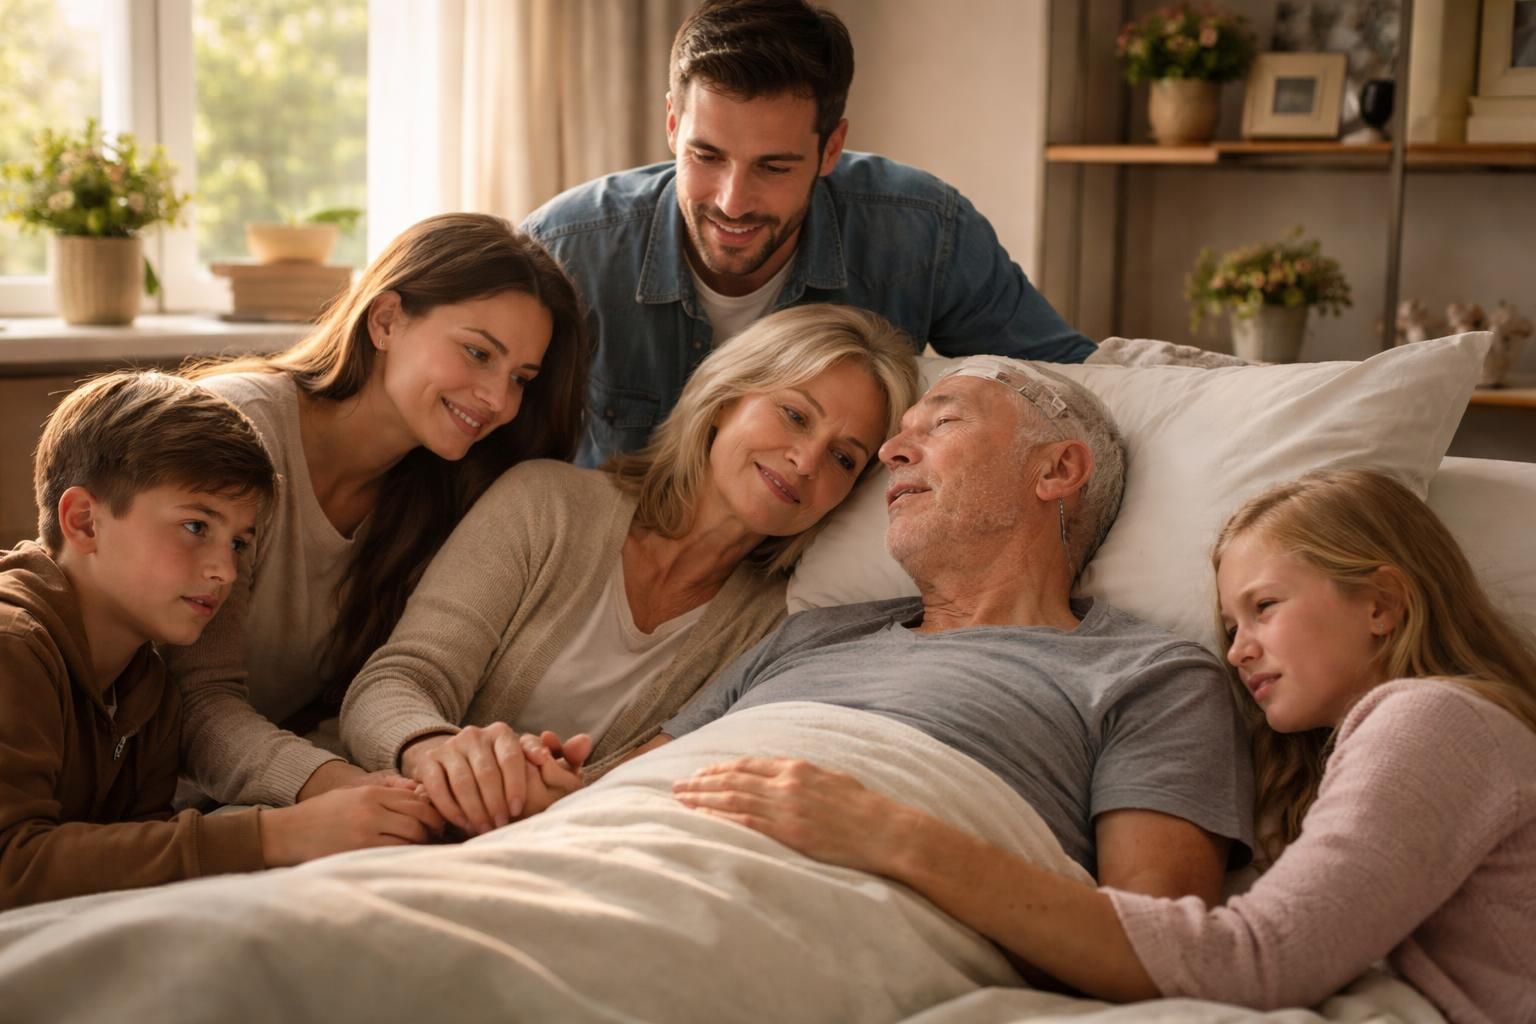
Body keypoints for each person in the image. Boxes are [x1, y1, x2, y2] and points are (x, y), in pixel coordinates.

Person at [681, 469, 1536, 1020]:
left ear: (1381, 604)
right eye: (1230, 625)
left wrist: (893, 834)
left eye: (1265, 608)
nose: (1237, 650)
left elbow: (1256, 960)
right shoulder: (1402, 736)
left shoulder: (1434, 721)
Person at [339, 303, 920, 838]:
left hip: (561, 856)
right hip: (385, 816)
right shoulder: (547, 503)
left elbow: (680, 789)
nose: (807, 460)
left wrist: (562, 799)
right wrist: (435, 752)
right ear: (725, 400)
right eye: (794, 415)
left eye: (843, 457)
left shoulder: (775, 632)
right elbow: (398, 680)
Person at [523, 0, 1095, 466]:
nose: (731, 201)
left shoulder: (923, 232)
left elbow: (1074, 389)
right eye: (707, 156)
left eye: (773, 167)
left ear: (831, 148)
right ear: (673, 124)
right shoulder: (565, 248)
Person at [170, 213, 589, 815]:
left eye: (521, 378)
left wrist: (486, 767)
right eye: (477, 352)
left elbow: (366, 695)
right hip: (136, 792)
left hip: (258, 792)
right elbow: (194, 701)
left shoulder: (444, 492)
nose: (499, 400)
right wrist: (342, 789)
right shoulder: (236, 432)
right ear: (386, 319)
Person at [0, 373, 443, 910]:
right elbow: (10, 864)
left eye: (238, 543)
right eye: (196, 527)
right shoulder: (13, 646)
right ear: (85, 522)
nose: (225, 571)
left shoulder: (147, 688)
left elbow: (140, 855)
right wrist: (275, 835)